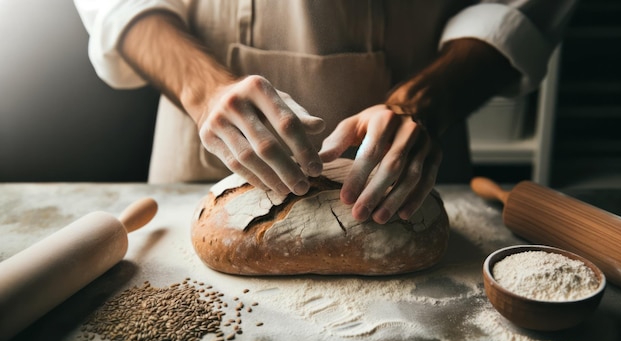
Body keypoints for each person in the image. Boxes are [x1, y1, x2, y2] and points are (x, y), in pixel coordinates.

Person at [74, 0, 576, 224]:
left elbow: (521, 9)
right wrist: (203, 87)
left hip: (412, 169)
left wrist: (421, 103)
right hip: (200, 157)